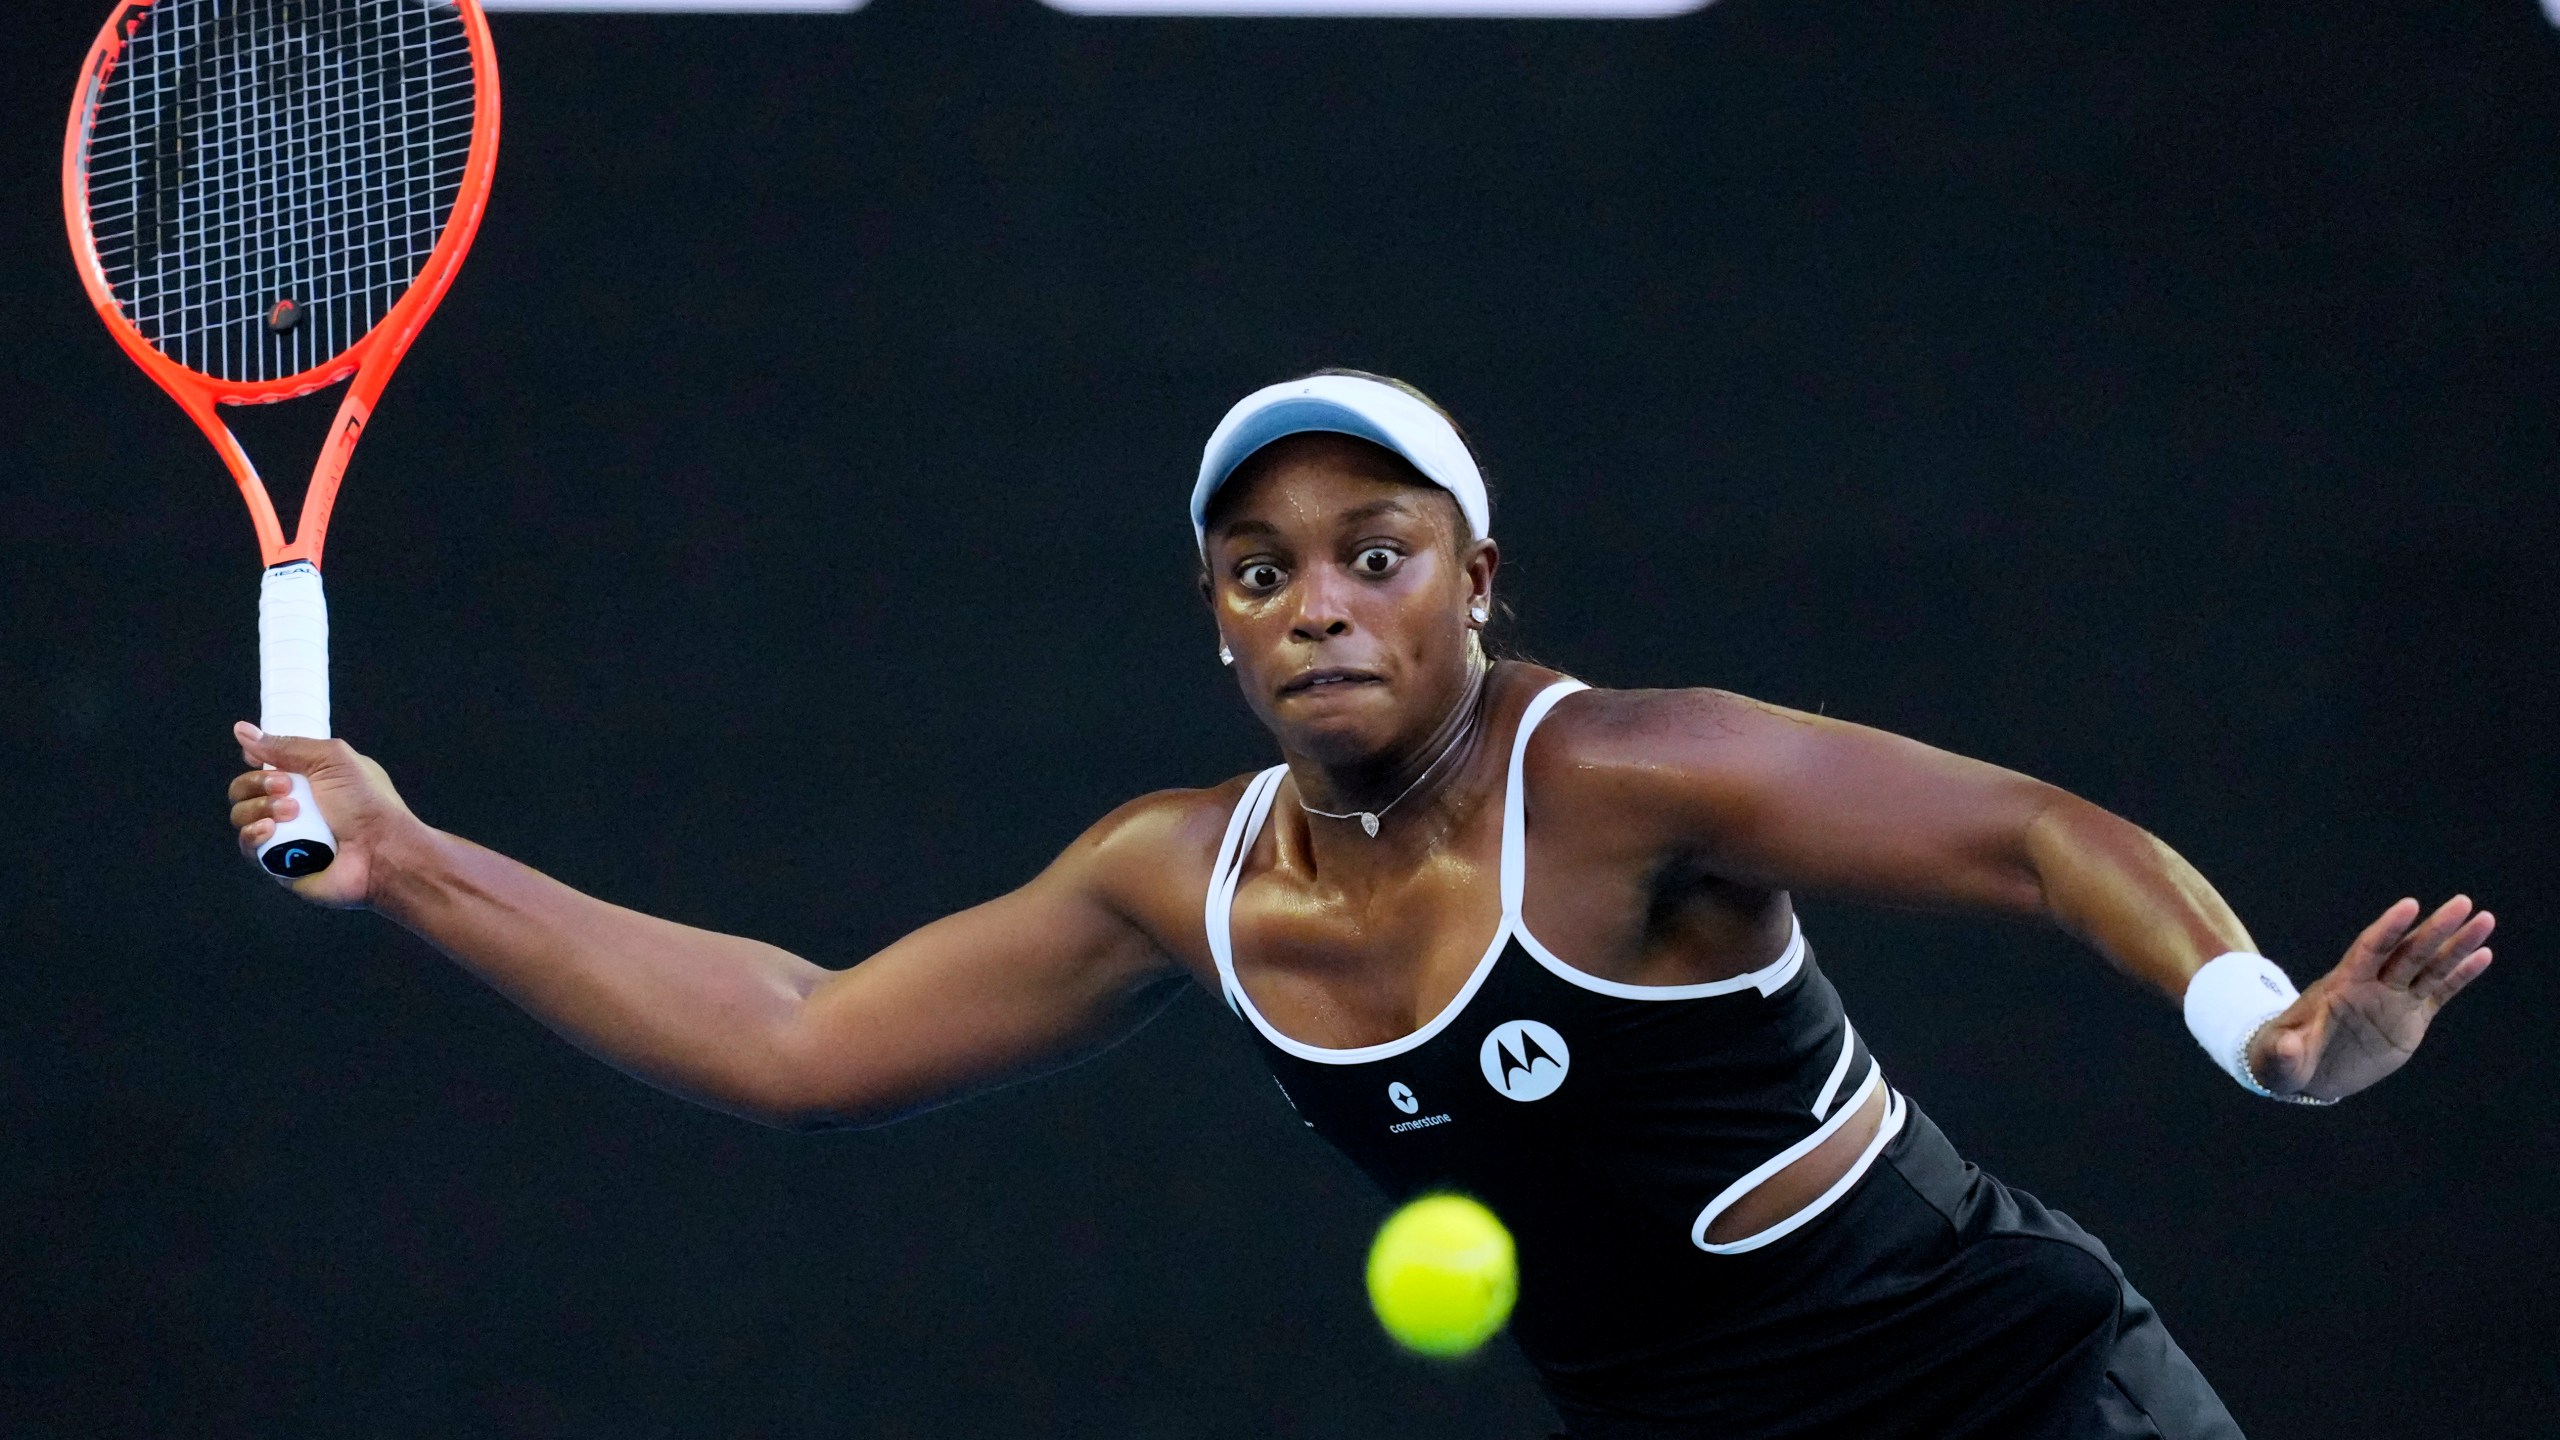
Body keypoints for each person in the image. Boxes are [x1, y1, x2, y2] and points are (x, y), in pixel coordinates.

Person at [226, 371, 2494, 1439]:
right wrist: (419, 860)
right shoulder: (1172, 879)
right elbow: (805, 1042)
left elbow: (2021, 831)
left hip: (2007, 1392)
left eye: (1373, 554)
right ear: (1215, 623)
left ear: (1474, 585)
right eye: (1259, 569)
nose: (1316, 603)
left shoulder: (1622, 769)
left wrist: (2256, 1027)